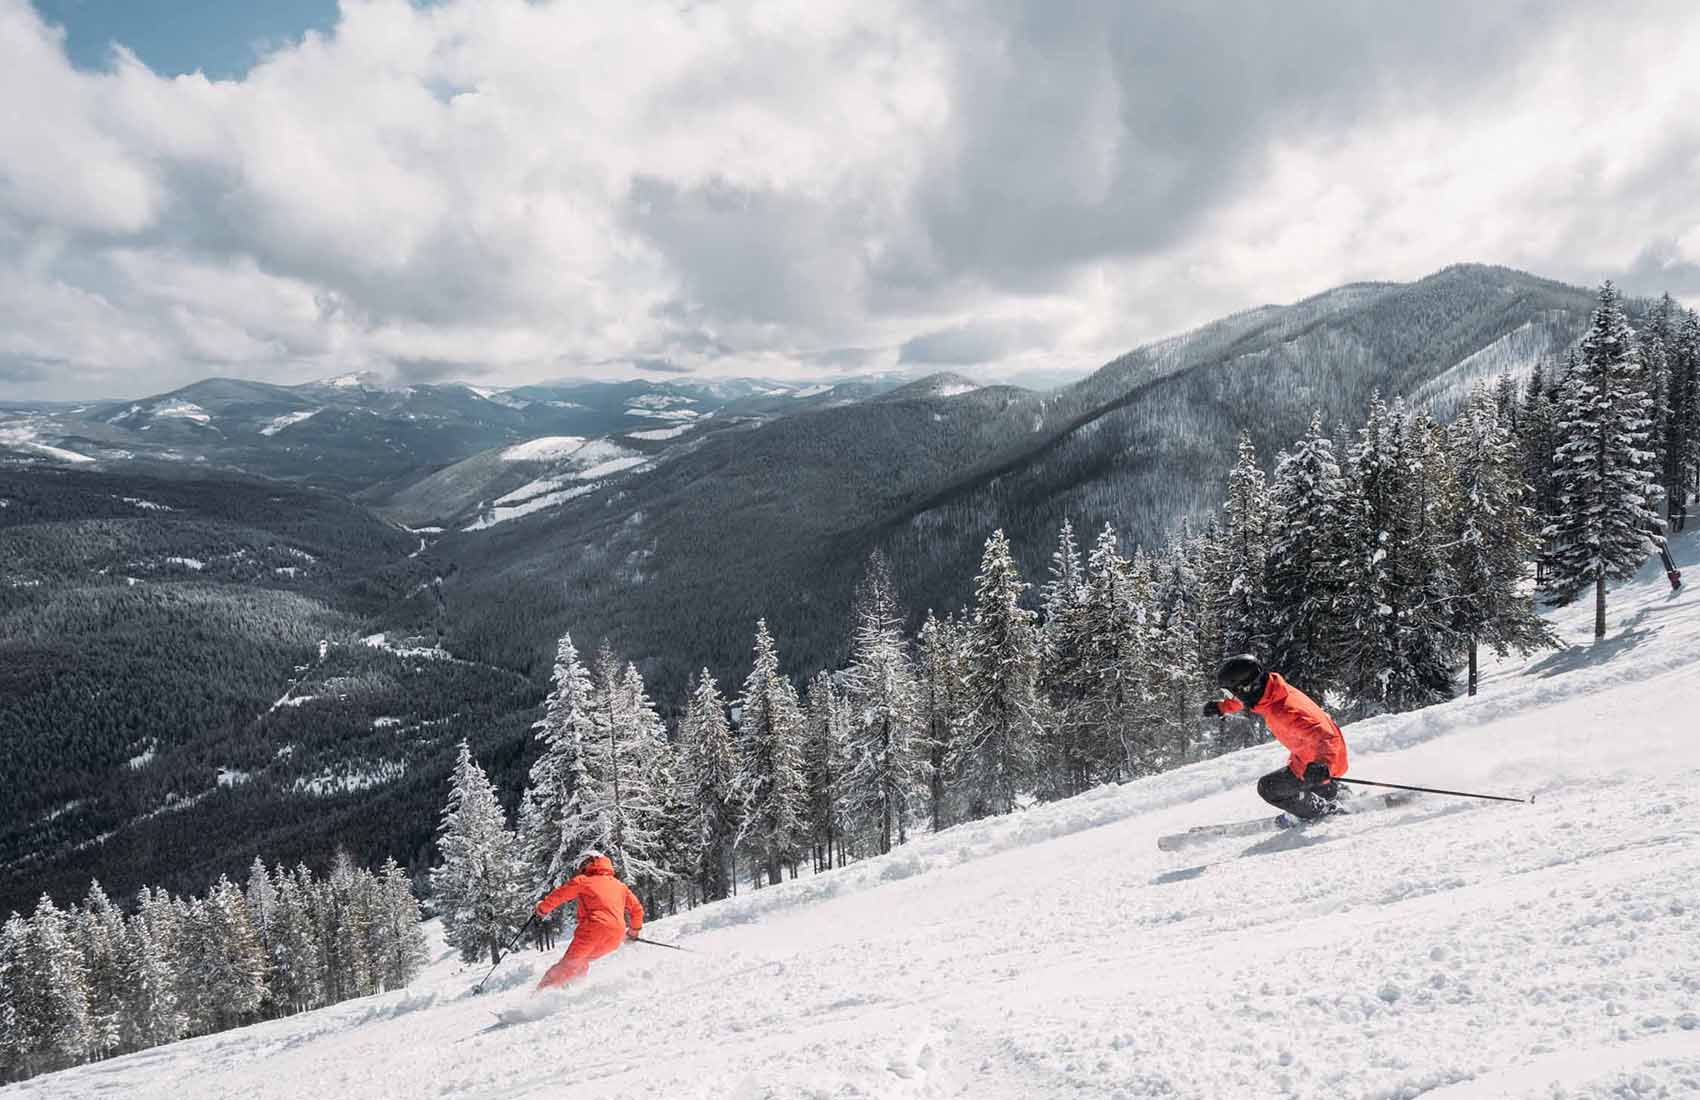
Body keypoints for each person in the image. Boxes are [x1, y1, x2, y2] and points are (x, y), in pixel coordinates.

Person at [1202, 654, 1349, 820]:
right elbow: (1245, 698)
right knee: (1296, 776)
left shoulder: (1284, 710)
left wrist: (1322, 765)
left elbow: (1325, 738)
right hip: (1311, 757)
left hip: (1321, 762)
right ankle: (1331, 792)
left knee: (1268, 788)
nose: (1232, 697)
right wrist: (1222, 706)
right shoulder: (1272, 691)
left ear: (1247, 688)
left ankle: (1320, 810)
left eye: (1230, 694)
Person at [532, 851, 644, 989]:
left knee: (567, 965)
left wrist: (541, 908)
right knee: (581, 962)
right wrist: (633, 932)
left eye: (581, 866)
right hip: (616, 935)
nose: (580, 870)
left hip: (593, 930)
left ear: (589, 863)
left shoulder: (584, 881)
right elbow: (637, 909)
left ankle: (537, 998)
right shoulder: (620, 886)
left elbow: (560, 895)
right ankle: (574, 992)